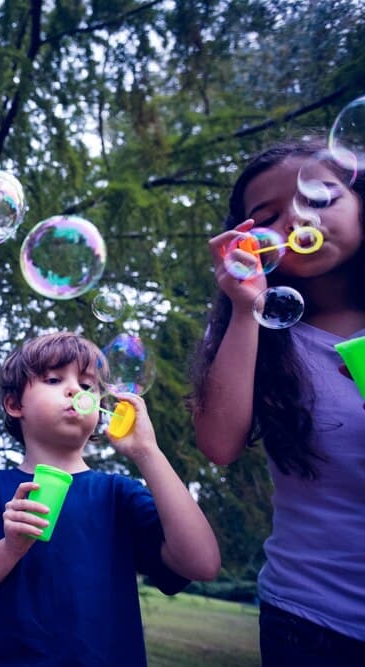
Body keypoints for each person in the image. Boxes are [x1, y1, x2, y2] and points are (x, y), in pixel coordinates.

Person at [0, 332, 220, 666]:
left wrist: (147, 452)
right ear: (15, 405)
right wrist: (10, 548)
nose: (75, 390)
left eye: (88, 385)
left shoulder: (118, 495)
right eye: (55, 379)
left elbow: (202, 564)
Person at [190, 138, 365, 666]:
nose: (294, 217)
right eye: (266, 217)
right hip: (312, 622)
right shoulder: (267, 341)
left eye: (319, 197)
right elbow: (218, 444)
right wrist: (247, 307)